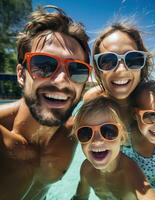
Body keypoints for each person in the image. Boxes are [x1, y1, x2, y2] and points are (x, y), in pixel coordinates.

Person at [0, 5, 91, 200]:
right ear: (21, 74)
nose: (60, 81)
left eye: (76, 70)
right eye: (43, 64)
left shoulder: (76, 131)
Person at [71, 96, 155, 200]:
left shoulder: (131, 175)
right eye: (85, 133)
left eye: (109, 132)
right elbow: (81, 197)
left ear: (122, 137)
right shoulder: (86, 169)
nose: (97, 141)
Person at [84, 17, 153, 134]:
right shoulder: (92, 99)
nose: (121, 70)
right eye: (107, 61)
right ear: (98, 70)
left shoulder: (152, 101)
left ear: (143, 65)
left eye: (133, 59)